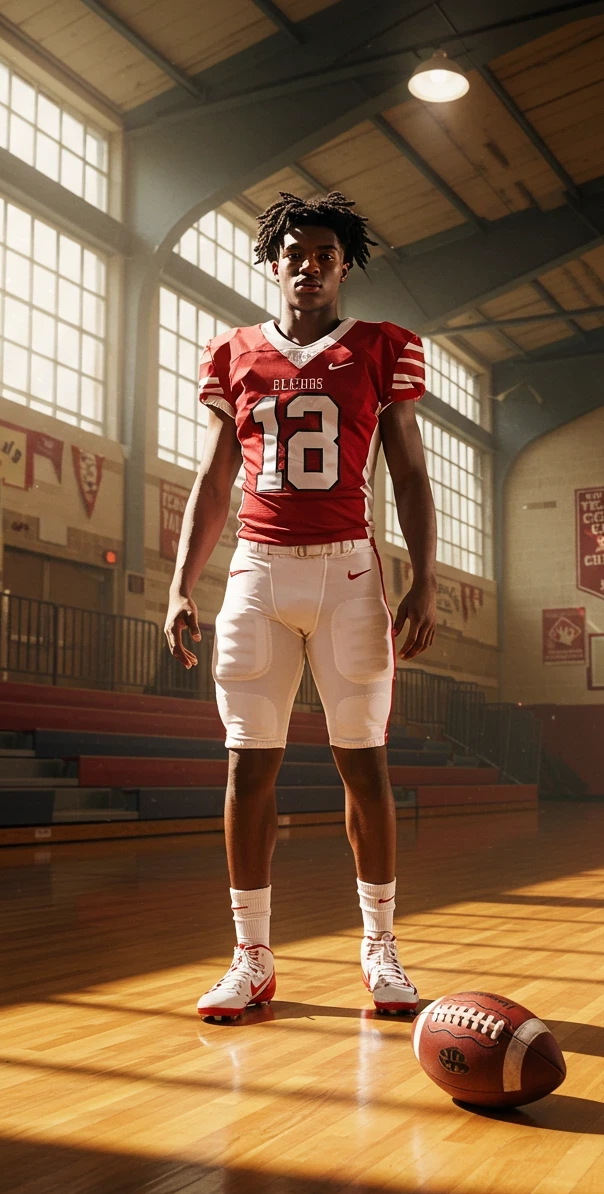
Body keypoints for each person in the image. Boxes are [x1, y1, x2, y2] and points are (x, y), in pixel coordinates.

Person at [163, 191, 437, 1022]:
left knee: (365, 763)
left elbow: (414, 473)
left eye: (324, 253)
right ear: (271, 261)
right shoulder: (235, 352)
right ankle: (250, 957)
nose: (307, 265)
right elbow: (215, 481)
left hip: (350, 571)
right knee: (250, 765)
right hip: (257, 570)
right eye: (293, 251)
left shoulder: (383, 348)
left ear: (343, 263)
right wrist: (181, 580)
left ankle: (381, 948)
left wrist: (425, 576)